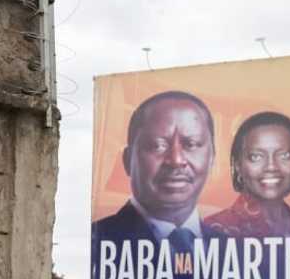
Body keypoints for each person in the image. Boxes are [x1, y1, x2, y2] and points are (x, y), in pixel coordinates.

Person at [205, 111, 290, 278]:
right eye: (256, 156)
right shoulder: (209, 233)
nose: (271, 166)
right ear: (238, 166)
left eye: (284, 155)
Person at [93, 90, 219, 256]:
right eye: (157, 145)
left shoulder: (235, 253)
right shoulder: (99, 241)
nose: (176, 160)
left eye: (192, 144)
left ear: (212, 160)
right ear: (127, 160)